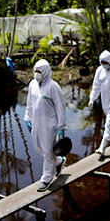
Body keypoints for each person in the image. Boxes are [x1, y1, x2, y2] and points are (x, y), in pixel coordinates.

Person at [24, 59, 67, 192]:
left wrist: (61, 127)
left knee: (48, 150)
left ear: (46, 72)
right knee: (38, 147)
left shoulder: (53, 87)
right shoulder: (33, 84)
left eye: (40, 71)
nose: (37, 74)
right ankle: (59, 161)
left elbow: (61, 107)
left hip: (50, 124)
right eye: (35, 71)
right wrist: (27, 118)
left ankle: (47, 178)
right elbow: (30, 103)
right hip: (37, 122)